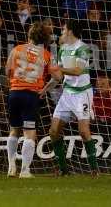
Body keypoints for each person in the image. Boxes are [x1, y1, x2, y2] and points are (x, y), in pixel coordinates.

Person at [40, 19, 98, 177]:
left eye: (64, 29)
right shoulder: (62, 49)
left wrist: (58, 68)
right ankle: (63, 170)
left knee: (83, 131)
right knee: (53, 131)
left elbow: (78, 71)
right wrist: (44, 89)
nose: (62, 32)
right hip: (67, 94)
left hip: (82, 93)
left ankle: (94, 170)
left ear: (71, 31)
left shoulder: (83, 48)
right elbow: (59, 76)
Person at [5, 21, 52, 178]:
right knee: (29, 132)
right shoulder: (45, 54)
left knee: (14, 130)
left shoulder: (17, 49)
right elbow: (58, 76)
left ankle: (11, 166)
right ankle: (25, 171)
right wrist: (45, 89)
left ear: (29, 35)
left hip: (14, 93)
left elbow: (7, 70)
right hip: (31, 95)